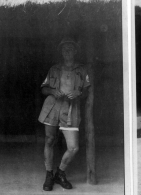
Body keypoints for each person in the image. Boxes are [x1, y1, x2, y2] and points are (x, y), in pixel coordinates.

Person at [38, 37, 90, 191]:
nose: (67, 51)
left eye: (70, 49)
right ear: (61, 52)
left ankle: (60, 173)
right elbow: (43, 88)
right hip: (52, 107)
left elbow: (87, 90)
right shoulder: (54, 69)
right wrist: (52, 90)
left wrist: (78, 92)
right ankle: (49, 174)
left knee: (73, 147)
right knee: (49, 140)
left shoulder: (82, 70)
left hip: (71, 109)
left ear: (75, 51)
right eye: (64, 49)